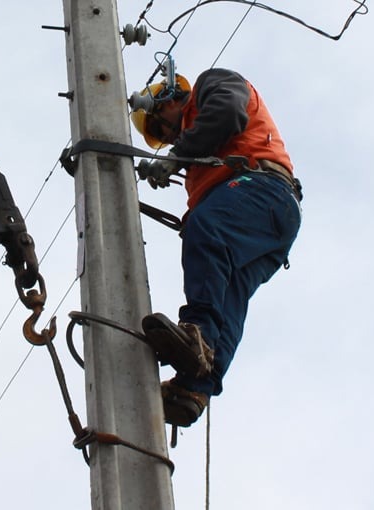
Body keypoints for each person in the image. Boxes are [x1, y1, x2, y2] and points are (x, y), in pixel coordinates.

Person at [130, 67, 302, 427]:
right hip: (271, 219)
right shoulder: (200, 155)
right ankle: (196, 387)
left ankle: (198, 333)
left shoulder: (213, 84)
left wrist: (178, 156)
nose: (169, 135)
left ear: (170, 97)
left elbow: (228, 113)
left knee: (205, 227)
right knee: (230, 296)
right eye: (161, 137)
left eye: (161, 126)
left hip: (262, 191)